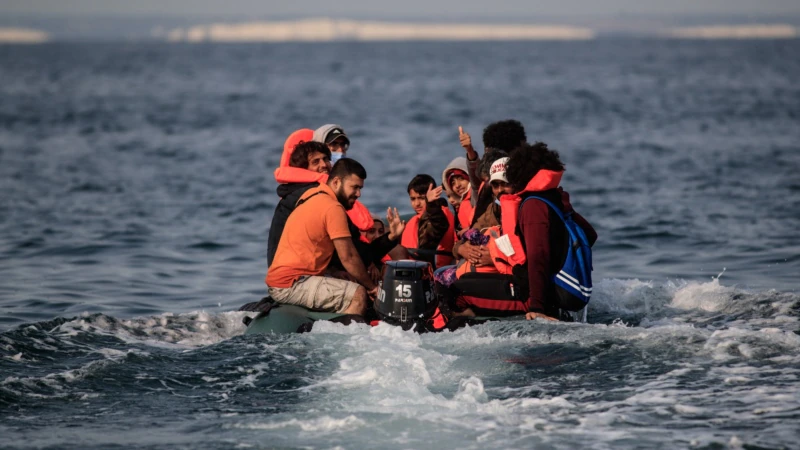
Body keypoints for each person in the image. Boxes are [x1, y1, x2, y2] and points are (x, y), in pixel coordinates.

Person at [266, 158, 406, 316]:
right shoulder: (333, 208)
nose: (358, 194)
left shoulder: (312, 195)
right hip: (291, 284)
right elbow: (349, 257)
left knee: (348, 281)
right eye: (354, 187)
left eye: (360, 188)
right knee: (357, 294)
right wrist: (371, 287)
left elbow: (313, 248)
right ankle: (349, 338)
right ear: (337, 182)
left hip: (287, 279)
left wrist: (333, 271)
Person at [505, 142, 597, 321]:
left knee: (461, 292)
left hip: (552, 294)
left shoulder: (533, 205)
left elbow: (538, 257)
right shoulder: (554, 198)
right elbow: (590, 234)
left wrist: (537, 308)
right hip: (567, 288)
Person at [268, 131, 330, 266]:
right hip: (292, 275)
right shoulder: (306, 196)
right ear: (303, 169)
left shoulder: (299, 191)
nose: (324, 164)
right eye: (316, 162)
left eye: (326, 159)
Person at [400, 174, 455, 268]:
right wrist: (393, 235)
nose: (417, 204)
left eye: (422, 198)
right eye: (413, 199)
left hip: (431, 271)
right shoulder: (417, 220)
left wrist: (431, 204)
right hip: (412, 268)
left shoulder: (439, 215)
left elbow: (438, 226)